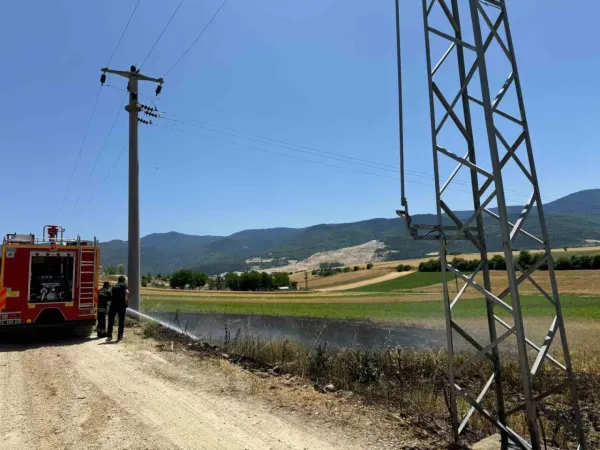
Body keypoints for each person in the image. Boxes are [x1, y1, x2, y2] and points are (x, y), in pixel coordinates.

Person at [106, 276, 129, 342]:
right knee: (121, 321)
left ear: (118, 280)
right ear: (123, 280)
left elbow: (110, 295)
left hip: (113, 305)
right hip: (121, 306)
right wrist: (126, 301)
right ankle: (119, 336)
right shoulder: (124, 285)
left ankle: (109, 336)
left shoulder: (114, 286)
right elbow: (127, 293)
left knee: (110, 321)